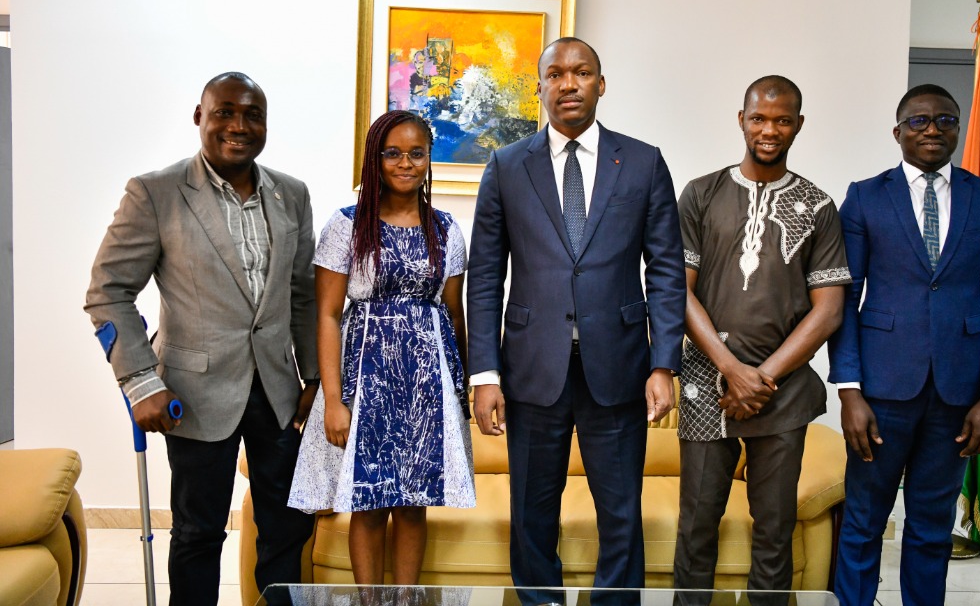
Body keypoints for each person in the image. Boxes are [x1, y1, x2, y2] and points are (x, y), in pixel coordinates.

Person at [85, 72, 318, 605]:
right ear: (200, 117)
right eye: (225, 112)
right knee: (197, 533)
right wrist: (140, 382)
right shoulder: (155, 192)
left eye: (252, 115)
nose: (238, 125)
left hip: (280, 394)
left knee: (287, 529)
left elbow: (303, 293)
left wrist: (315, 379)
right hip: (193, 393)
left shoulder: (292, 194)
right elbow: (108, 291)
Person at [466, 37, 686, 594]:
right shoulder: (507, 165)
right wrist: (485, 375)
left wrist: (664, 365)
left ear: (600, 84)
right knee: (532, 515)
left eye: (581, 72)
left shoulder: (642, 162)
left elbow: (664, 272)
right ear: (539, 87)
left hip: (619, 367)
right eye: (556, 75)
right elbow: (486, 278)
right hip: (531, 370)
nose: (569, 84)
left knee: (620, 514)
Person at [827, 84, 980, 606]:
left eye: (945, 120)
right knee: (864, 521)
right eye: (918, 121)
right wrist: (849, 391)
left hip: (960, 393)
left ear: (958, 129)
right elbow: (845, 298)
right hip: (880, 390)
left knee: (931, 527)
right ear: (897, 133)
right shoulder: (867, 195)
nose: (932, 129)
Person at [672, 75, 850, 597]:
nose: (769, 130)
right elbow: (677, 294)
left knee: (774, 533)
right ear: (742, 120)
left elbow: (829, 310)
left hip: (783, 392)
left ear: (798, 124)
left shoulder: (818, 206)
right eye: (759, 118)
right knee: (696, 529)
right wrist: (731, 369)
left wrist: (762, 378)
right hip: (708, 385)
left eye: (782, 120)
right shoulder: (701, 194)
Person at [288, 110, 475, 584]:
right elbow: (327, 315)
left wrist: (461, 390)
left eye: (417, 153)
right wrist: (332, 400)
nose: (405, 163)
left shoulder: (446, 229)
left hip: (426, 380)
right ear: (375, 158)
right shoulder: (346, 225)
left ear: (429, 158)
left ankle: (405, 600)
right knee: (369, 504)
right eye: (393, 153)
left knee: (413, 506)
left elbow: (454, 313)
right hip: (364, 377)